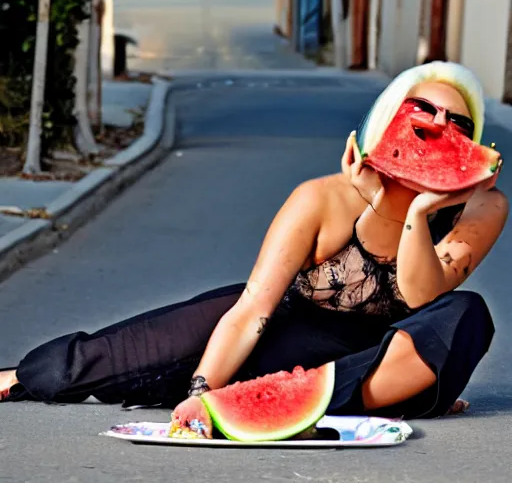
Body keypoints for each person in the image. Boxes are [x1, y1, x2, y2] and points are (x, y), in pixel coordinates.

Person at [0, 62, 507, 439]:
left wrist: (420, 211)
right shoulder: (321, 198)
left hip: (386, 353)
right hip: (288, 333)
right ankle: (15, 377)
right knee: (119, 360)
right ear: (391, 118)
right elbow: (252, 311)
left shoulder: (482, 206)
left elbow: (421, 295)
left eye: (458, 125)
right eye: (424, 111)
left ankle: (341, 396)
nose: (439, 125)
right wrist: (202, 395)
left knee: (466, 314)